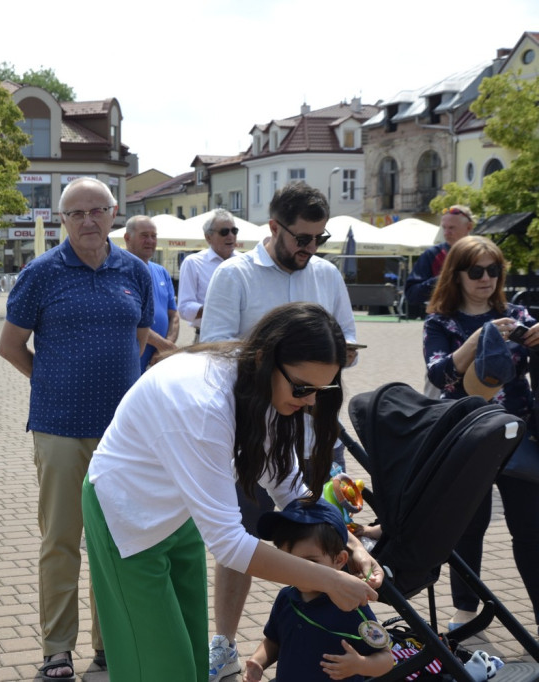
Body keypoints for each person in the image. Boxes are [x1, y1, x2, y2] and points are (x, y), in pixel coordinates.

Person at [83, 302, 382, 681]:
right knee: (158, 669)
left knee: (190, 662)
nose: (309, 401)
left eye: (320, 390)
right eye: (304, 387)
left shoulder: (263, 384)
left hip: (180, 510)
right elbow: (229, 544)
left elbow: (290, 487)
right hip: (127, 517)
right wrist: (327, 579)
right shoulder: (204, 405)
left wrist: (350, 544)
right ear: (266, 359)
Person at [200, 182, 358, 682]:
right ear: (274, 227)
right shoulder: (235, 274)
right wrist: (277, 362)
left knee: (325, 532)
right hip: (251, 435)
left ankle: (337, 635)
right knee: (241, 538)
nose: (310, 249)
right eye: (302, 238)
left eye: (319, 238)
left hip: (314, 433)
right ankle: (224, 643)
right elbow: (214, 350)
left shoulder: (327, 274)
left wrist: (334, 357)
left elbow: (345, 340)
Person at [0, 177, 153, 680]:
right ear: (63, 221)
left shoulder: (136, 271)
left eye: (97, 210)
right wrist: (51, 380)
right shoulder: (41, 274)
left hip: (123, 437)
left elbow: (140, 334)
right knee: (62, 541)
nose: (88, 221)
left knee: (114, 542)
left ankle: (109, 644)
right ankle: (57, 648)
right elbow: (11, 346)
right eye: (75, 214)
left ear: (114, 213)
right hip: (60, 429)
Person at [422, 235, 539, 632]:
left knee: (531, 530)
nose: (486, 278)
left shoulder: (518, 313)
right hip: (468, 435)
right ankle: (465, 611)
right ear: (457, 274)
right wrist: (479, 338)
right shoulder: (441, 322)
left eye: (494, 270)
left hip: (516, 434)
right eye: (476, 270)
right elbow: (439, 374)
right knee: (469, 525)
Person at [243, 499, 393, 682]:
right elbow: (274, 640)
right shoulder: (286, 597)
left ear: (339, 560)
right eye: (289, 562)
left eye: (312, 562)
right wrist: (258, 662)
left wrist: (360, 664)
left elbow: (386, 659)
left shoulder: (351, 605)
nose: (300, 572)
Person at [123, 215, 179, 369]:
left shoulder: (161, 272)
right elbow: (129, 320)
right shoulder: (119, 272)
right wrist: (164, 346)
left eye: (154, 236)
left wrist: (166, 347)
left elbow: (173, 315)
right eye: (144, 236)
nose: (150, 241)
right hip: (133, 364)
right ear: (128, 238)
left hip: (159, 360)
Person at [177, 209, 238, 342]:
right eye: (224, 232)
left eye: (234, 231)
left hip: (241, 338)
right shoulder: (193, 263)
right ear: (208, 237)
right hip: (207, 338)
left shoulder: (245, 262)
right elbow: (184, 308)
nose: (231, 236)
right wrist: (216, 308)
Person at [404, 205, 474, 309]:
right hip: (443, 319)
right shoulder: (432, 254)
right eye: (444, 227)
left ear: (469, 227)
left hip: (480, 317)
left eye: (451, 228)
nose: (446, 233)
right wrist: (443, 279)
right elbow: (412, 295)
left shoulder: (482, 253)